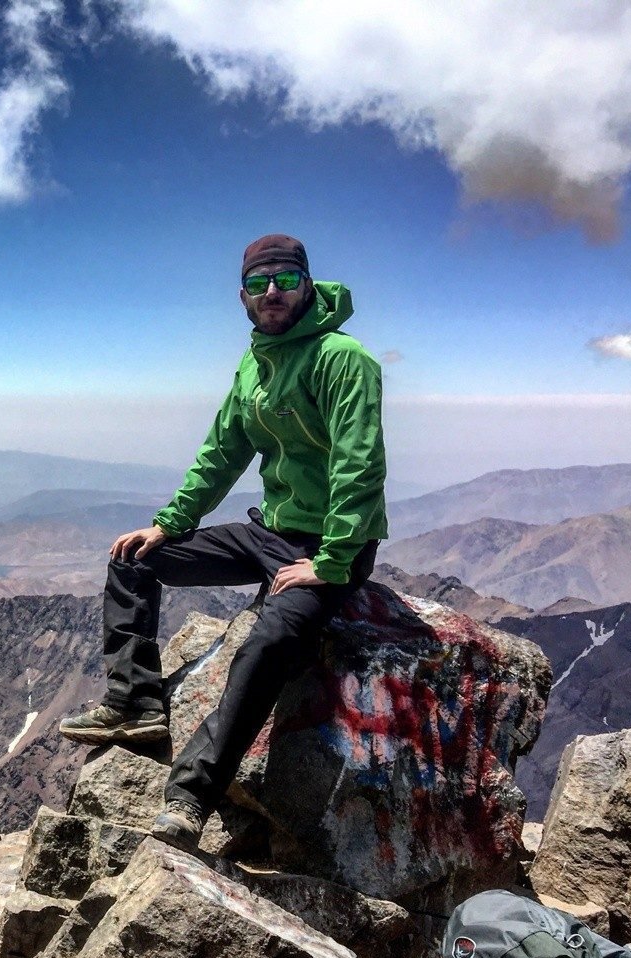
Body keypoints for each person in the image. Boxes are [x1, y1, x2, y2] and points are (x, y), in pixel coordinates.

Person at [59, 233, 387, 849]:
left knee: (271, 639)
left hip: (329, 546)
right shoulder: (255, 363)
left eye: (286, 280)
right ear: (242, 295)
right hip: (268, 530)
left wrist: (332, 560)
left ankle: (191, 794)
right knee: (134, 559)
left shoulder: (344, 359)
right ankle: (136, 705)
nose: (272, 292)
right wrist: (170, 523)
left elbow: (359, 464)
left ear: (308, 285)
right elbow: (223, 450)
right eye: (260, 283)